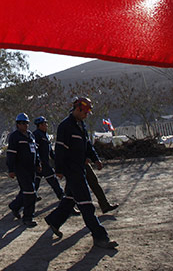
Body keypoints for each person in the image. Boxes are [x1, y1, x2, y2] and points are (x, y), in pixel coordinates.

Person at [44, 97, 118, 249]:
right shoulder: (65, 126)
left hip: (80, 168)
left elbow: (87, 145)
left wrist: (95, 159)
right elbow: (60, 150)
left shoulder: (80, 125)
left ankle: (54, 220)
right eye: (85, 112)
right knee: (86, 204)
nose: (87, 115)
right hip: (72, 171)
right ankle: (100, 237)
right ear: (77, 108)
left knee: (70, 198)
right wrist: (59, 170)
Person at [6, 113, 40, 227]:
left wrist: (38, 163)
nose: (25, 125)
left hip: (31, 169)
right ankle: (28, 217)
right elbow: (11, 154)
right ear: (17, 124)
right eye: (22, 123)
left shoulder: (31, 136)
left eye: (26, 123)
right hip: (21, 169)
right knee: (31, 193)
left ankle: (15, 206)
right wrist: (11, 169)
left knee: (26, 191)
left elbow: (35, 151)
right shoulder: (15, 137)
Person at [32, 116, 65, 202]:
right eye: (44, 124)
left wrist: (56, 159)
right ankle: (62, 198)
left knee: (36, 182)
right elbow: (35, 150)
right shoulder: (36, 135)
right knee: (54, 182)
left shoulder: (45, 135)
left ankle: (30, 197)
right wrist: (38, 163)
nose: (46, 125)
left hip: (45, 163)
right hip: (41, 164)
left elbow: (50, 151)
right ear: (39, 125)